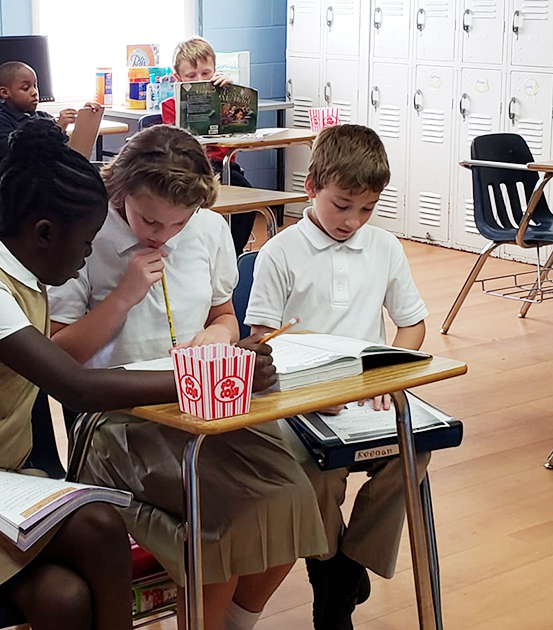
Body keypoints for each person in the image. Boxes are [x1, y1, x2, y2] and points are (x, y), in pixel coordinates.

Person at [0, 119, 279, 630]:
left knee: (65, 598)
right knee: (98, 525)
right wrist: (212, 377)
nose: (87, 257)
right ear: (44, 233)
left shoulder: (18, 273)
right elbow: (76, 386)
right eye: (84, 245)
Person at [48, 124, 327, 630]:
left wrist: (219, 337)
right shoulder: (83, 232)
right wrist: (124, 296)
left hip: (200, 406)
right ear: (120, 186)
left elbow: (224, 315)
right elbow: (60, 357)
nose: (161, 234)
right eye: (149, 218)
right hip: (115, 418)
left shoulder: (208, 229)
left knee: (296, 494)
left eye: (178, 224)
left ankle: (236, 620)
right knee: (222, 511)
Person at [244, 125, 430, 630]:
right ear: (311, 187)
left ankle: (343, 567)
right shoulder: (279, 253)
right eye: (342, 205)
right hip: (303, 399)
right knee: (315, 476)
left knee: (415, 450)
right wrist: (308, 392)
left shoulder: (384, 246)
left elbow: (412, 324)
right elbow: (263, 344)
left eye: (366, 209)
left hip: (366, 392)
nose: (353, 220)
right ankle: (333, 582)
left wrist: (390, 378)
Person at [160, 36, 256, 256]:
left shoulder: (224, 94)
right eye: (191, 76)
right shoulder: (170, 106)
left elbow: (240, 130)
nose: (201, 79)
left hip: (222, 166)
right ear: (178, 78)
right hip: (187, 167)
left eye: (206, 73)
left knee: (246, 197)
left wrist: (232, 96)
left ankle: (233, 253)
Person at [0, 61, 95, 163]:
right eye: (26, 88)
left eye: (35, 86)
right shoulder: (1, 121)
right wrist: (58, 128)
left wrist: (85, 118)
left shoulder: (45, 118)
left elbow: (65, 151)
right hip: (22, 180)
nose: (34, 92)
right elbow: (22, 153)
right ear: (5, 92)